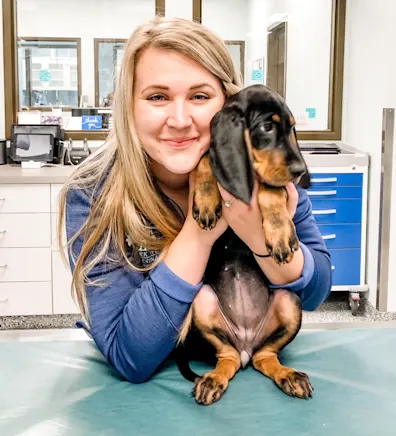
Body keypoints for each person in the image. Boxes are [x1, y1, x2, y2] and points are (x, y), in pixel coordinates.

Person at [58, 16, 332, 384]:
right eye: (157, 97)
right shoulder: (93, 192)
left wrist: (258, 237)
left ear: (229, 105)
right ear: (128, 107)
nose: (180, 119)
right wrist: (200, 233)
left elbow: (315, 293)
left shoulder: (266, 173)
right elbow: (130, 357)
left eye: (200, 96)